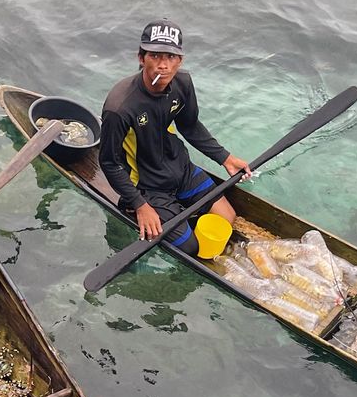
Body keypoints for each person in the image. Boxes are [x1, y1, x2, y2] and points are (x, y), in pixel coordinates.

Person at [99, 19, 251, 256]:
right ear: (141, 58)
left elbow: (189, 126)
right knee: (190, 248)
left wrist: (225, 158)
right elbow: (108, 162)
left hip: (179, 169)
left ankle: (180, 215)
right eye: (155, 56)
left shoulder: (183, 83)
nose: (163, 65)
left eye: (170, 57)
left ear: (180, 60)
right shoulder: (119, 107)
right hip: (146, 187)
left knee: (227, 217)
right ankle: (137, 211)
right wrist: (140, 204)